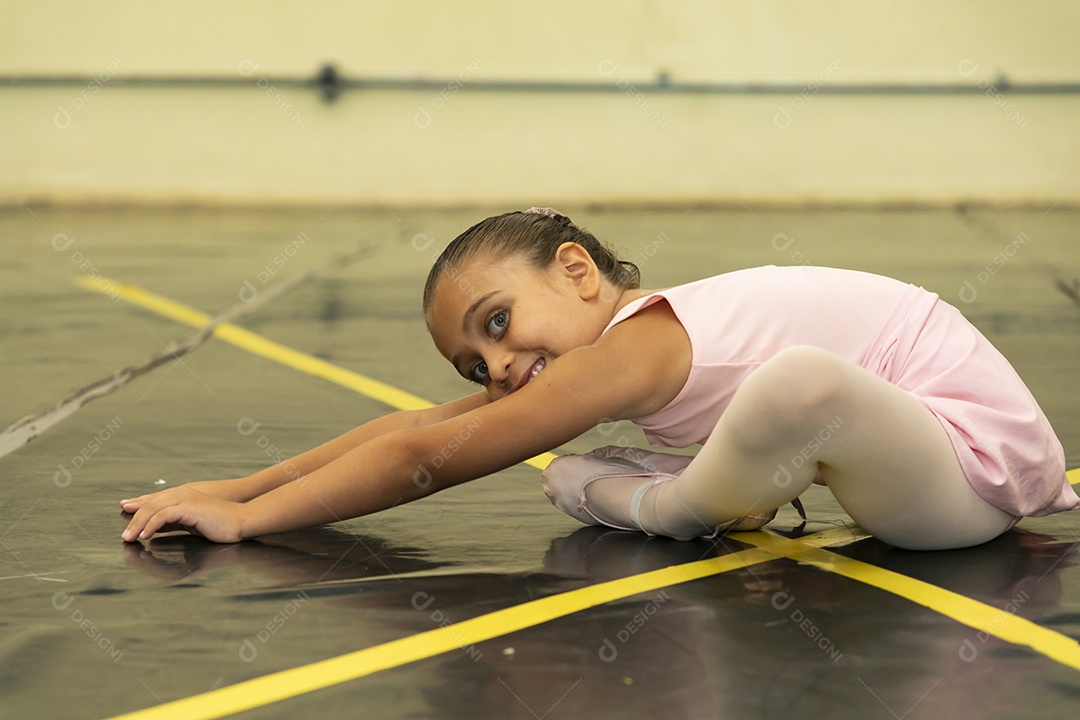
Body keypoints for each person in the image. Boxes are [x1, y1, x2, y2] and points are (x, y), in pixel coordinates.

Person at [119, 208, 1080, 550]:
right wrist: (232, 487)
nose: (497, 369)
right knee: (570, 470)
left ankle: (674, 506)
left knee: (799, 387)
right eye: (476, 364)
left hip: (965, 481)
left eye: (497, 325)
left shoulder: (635, 343)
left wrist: (248, 522)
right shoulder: (612, 349)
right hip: (899, 476)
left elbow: (425, 464)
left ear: (577, 272)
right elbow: (418, 426)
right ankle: (704, 492)